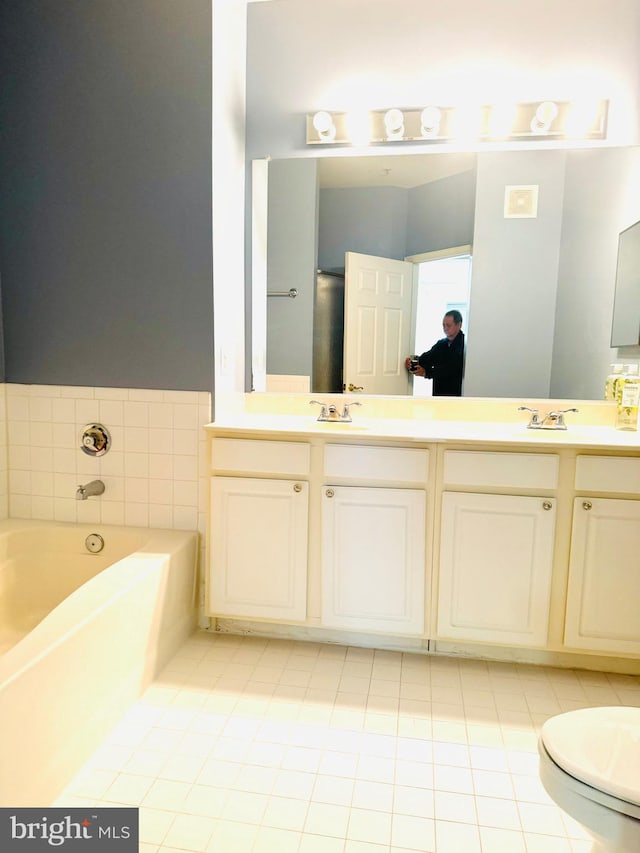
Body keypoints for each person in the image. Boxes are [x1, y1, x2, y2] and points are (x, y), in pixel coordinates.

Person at [406, 310, 465, 396]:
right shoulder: (442, 343)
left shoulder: (464, 345)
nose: (445, 328)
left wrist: (426, 372)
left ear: (459, 325)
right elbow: (427, 357)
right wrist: (412, 362)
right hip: (438, 394)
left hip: (454, 395)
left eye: (448, 325)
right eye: (443, 325)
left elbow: (450, 368)